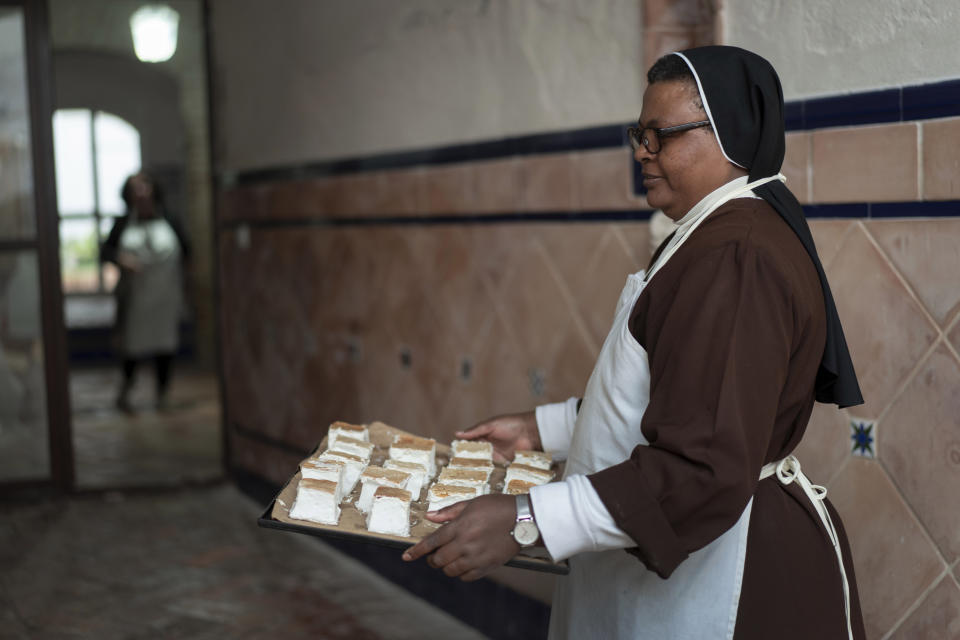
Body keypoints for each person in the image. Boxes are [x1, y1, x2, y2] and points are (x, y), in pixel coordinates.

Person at [404, 46, 867, 639]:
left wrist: (528, 520)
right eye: (639, 134)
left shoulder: (736, 255)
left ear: (730, 137)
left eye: (662, 135)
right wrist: (543, 430)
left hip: (727, 578)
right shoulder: (710, 233)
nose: (642, 152)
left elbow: (702, 463)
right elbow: (680, 397)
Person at [101, 171, 190, 412]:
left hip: (164, 294)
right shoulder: (122, 223)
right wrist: (121, 259)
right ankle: (126, 390)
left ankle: (163, 394)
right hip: (135, 296)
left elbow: (187, 251)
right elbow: (105, 252)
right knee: (132, 345)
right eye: (135, 190)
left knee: (165, 343)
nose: (141, 194)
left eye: (144, 188)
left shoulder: (170, 219)